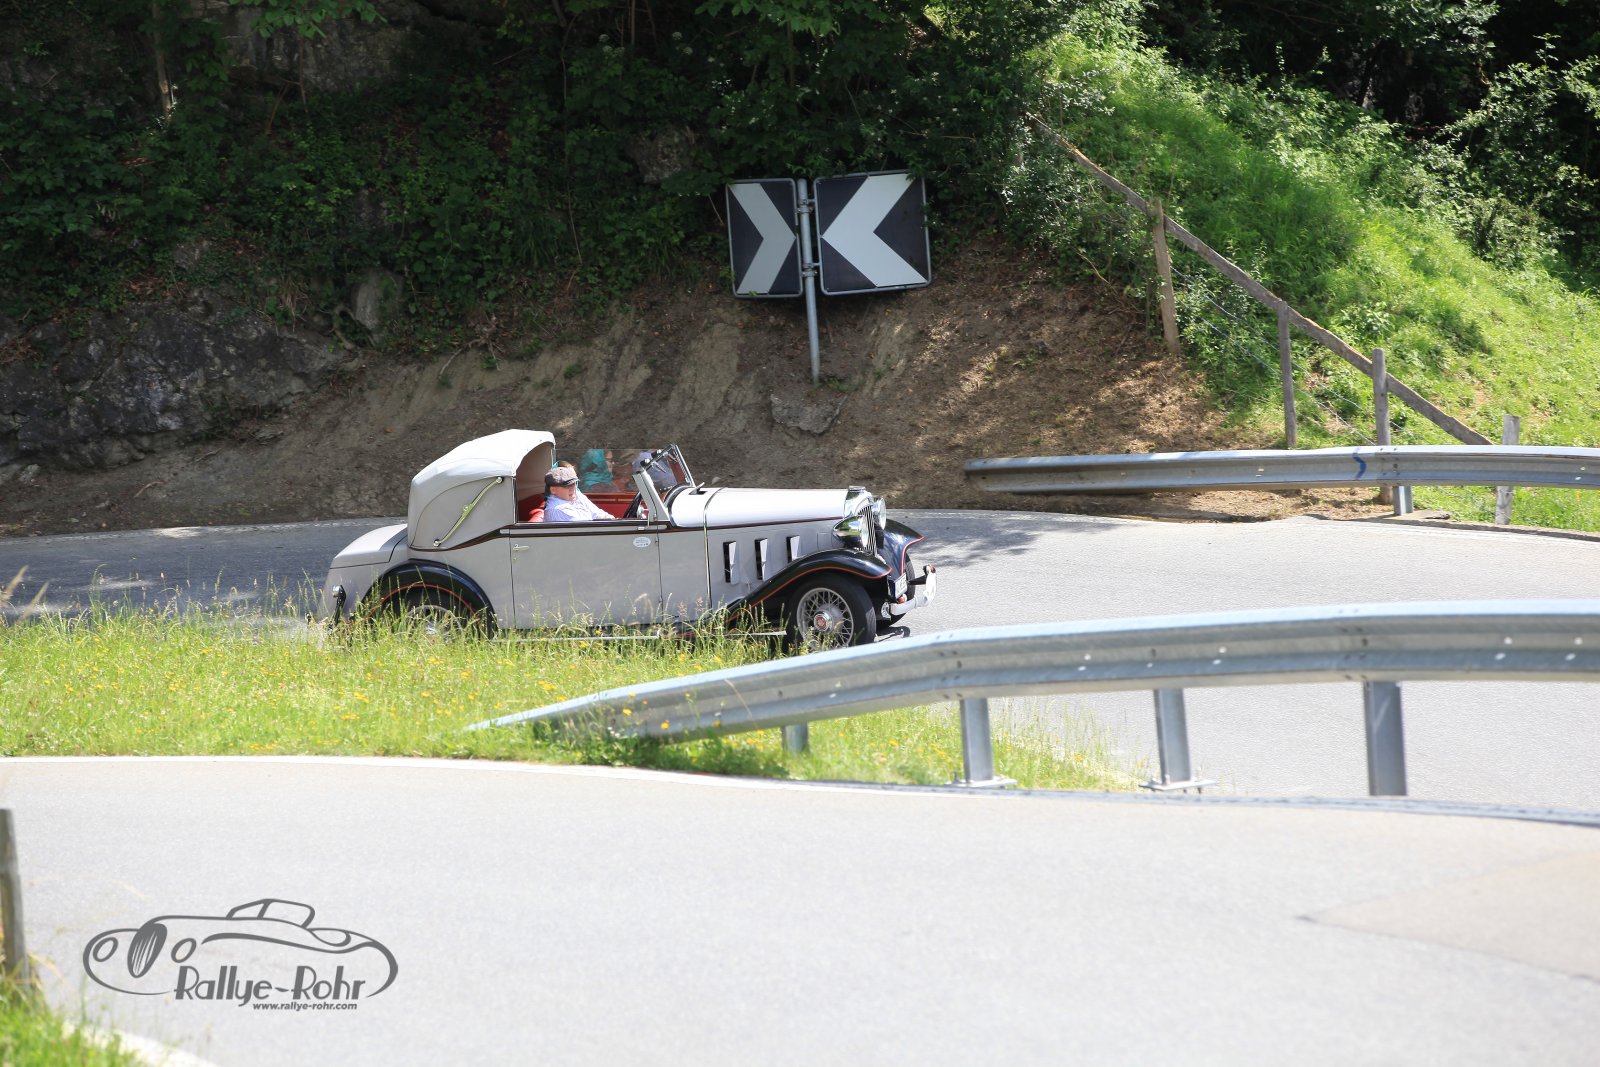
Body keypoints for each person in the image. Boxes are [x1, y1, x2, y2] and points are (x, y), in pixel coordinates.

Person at [543, 466, 611, 522]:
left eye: (573, 484)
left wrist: (613, 520)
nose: (572, 488)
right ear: (553, 490)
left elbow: (599, 514)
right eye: (567, 486)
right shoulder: (557, 509)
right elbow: (585, 528)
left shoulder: (577, 495)